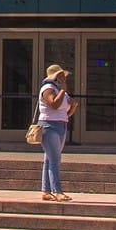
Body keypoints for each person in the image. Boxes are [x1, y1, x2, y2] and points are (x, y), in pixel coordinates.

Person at [37, 64, 78, 202]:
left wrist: (72, 106)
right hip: (49, 126)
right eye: (61, 76)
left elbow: (66, 113)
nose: (64, 78)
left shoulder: (61, 91)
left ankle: (46, 191)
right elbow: (53, 104)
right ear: (54, 77)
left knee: (49, 159)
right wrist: (62, 91)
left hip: (61, 125)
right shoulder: (47, 89)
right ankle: (57, 191)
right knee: (55, 160)